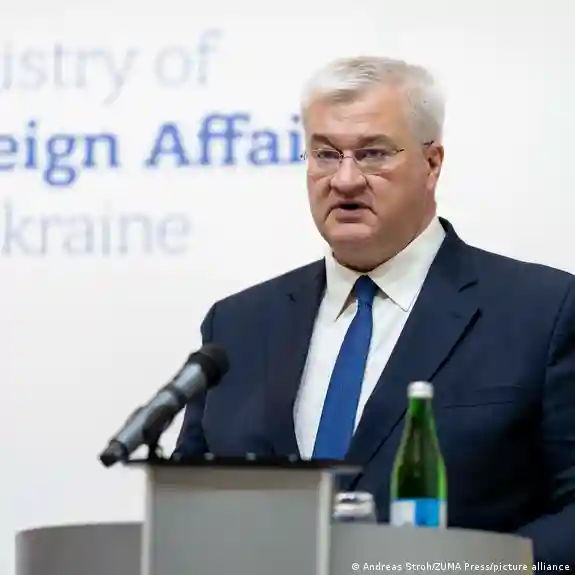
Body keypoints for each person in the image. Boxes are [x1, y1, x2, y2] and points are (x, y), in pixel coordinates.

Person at [174, 56, 575, 567]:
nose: (344, 180)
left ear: (432, 164)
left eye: (372, 154)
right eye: (325, 154)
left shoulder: (541, 311)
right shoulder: (238, 326)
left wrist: (473, 569)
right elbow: (186, 510)